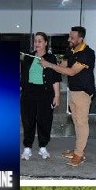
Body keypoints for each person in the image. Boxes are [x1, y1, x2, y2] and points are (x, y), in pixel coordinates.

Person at [40, 26, 96, 167]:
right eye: (69, 36)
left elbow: (71, 72)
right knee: (76, 122)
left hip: (83, 93)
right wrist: (50, 62)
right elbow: (62, 66)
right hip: (73, 91)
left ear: (80, 38)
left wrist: (50, 65)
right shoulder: (70, 50)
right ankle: (78, 150)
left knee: (82, 123)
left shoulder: (88, 53)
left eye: (72, 37)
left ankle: (79, 154)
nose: (69, 39)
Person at [20, 32, 61, 161]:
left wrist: (57, 95)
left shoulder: (51, 58)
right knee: (28, 120)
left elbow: (55, 78)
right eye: (35, 41)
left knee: (45, 120)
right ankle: (27, 147)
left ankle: (43, 146)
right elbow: (22, 74)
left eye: (39, 41)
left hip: (45, 93)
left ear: (45, 43)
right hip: (28, 92)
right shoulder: (28, 57)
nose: (37, 44)